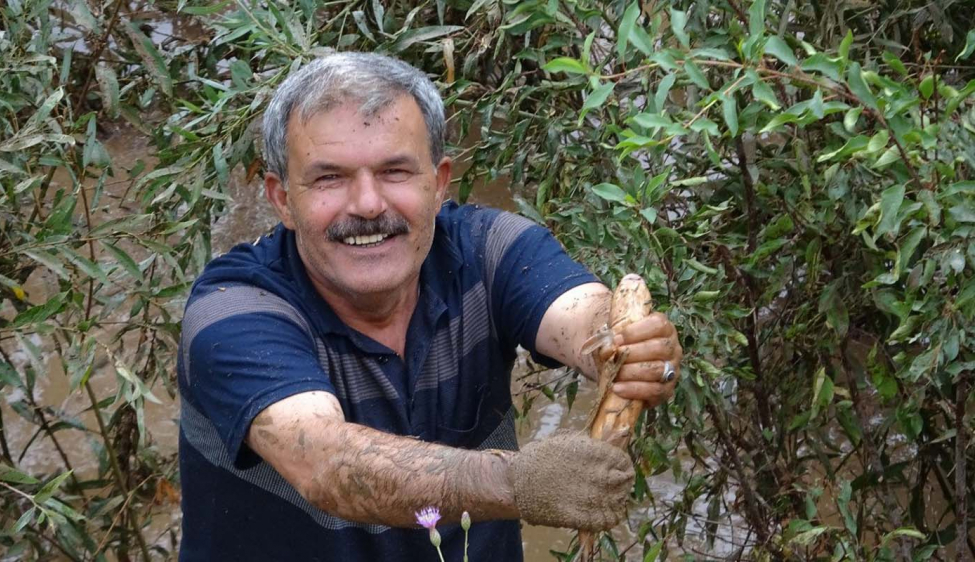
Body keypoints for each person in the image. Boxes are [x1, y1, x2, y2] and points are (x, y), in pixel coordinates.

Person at [176, 52, 682, 561]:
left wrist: (626, 346)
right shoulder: (232, 308)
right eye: (329, 178)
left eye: (395, 170)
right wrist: (519, 482)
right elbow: (325, 463)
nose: (368, 205)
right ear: (282, 199)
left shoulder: (489, 247)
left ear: (439, 183)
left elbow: (580, 314)